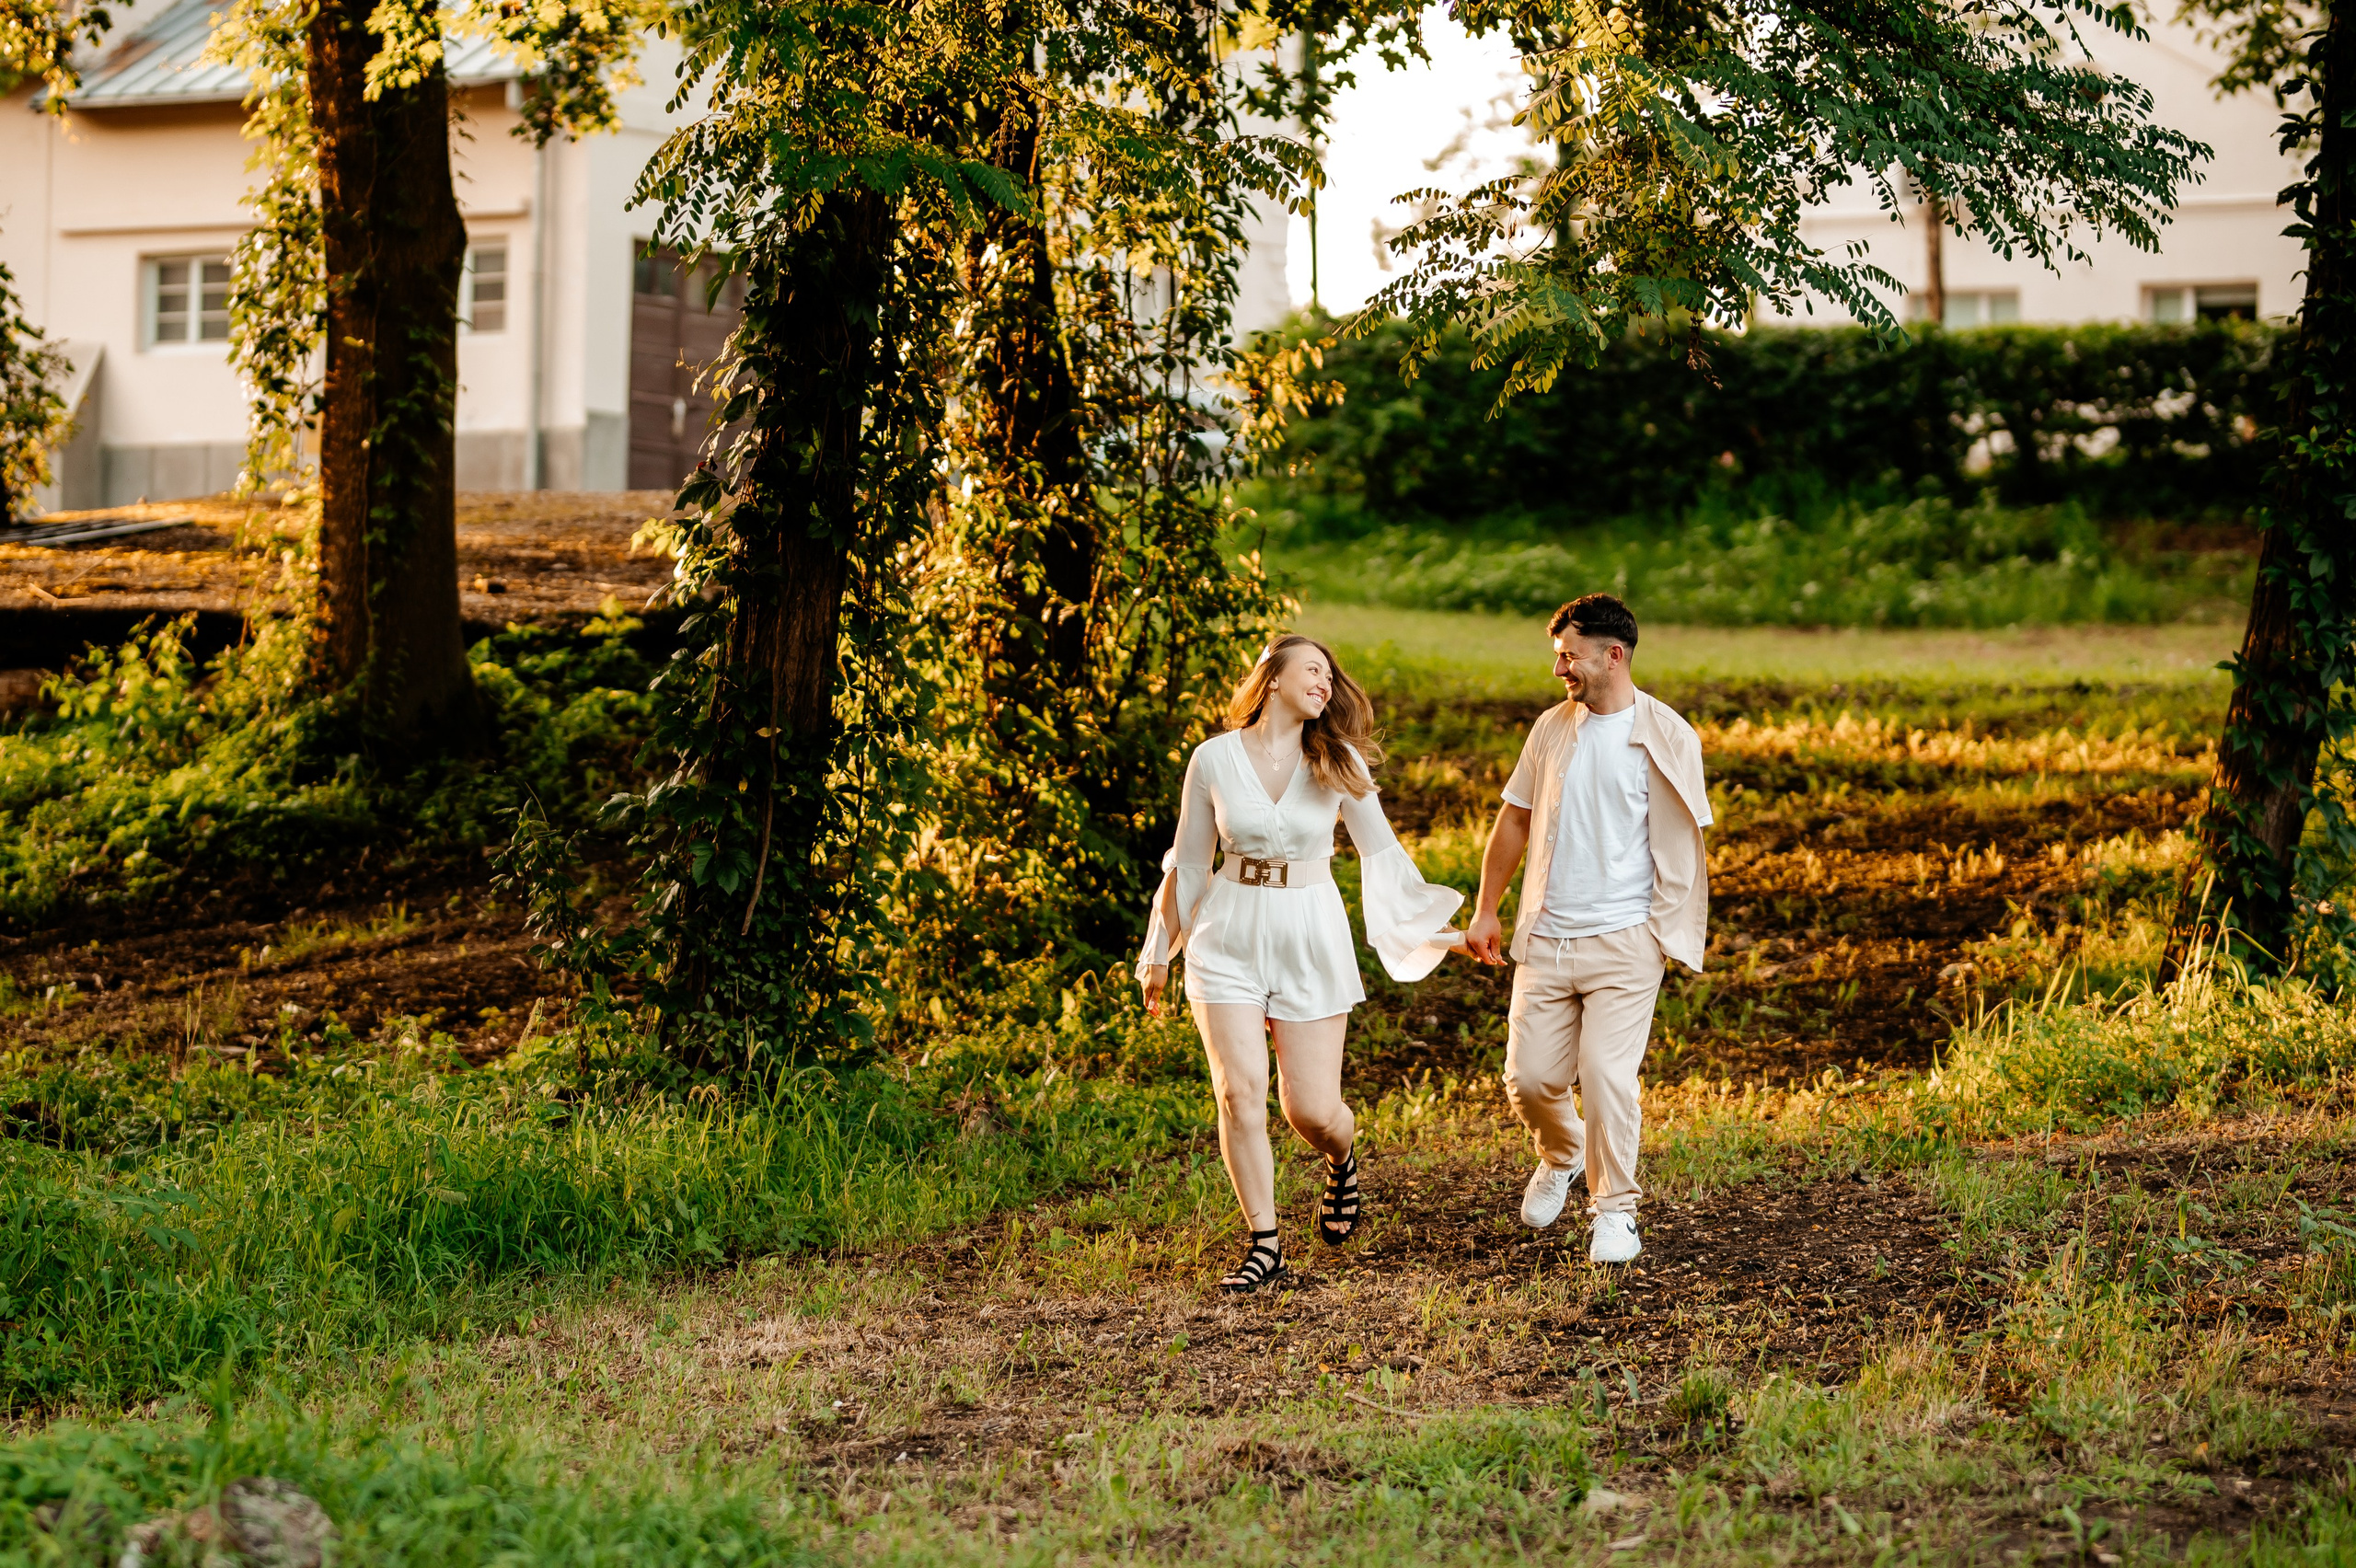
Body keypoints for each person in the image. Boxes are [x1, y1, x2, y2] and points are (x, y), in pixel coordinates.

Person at [1138, 634, 1464, 1295]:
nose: (1325, 682)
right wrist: (1156, 954)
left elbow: (1384, 857)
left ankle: (1341, 1157)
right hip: (1227, 934)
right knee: (1237, 1095)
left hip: (1309, 934)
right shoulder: (1214, 759)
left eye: (1329, 675)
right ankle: (1265, 1244)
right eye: (1311, 670)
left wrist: (1446, 934)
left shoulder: (1337, 760)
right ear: (1273, 678)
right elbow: (1192, 862)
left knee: (1311, 1111)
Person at [1462, 594, 1710, 1264]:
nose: (1560, 670)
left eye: (1569, 656)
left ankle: (1615, 1213)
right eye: (1557, 657)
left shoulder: (1669, 735)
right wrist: (1487, 909)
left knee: (1605, 1076)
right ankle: (1563, 1154)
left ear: (1613, 655)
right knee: (1529, 1080)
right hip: (1548, 937)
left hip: (1626, 940)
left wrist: (1662, 934)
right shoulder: (1550, 729)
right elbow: (1514, 819)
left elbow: (1687, 842)